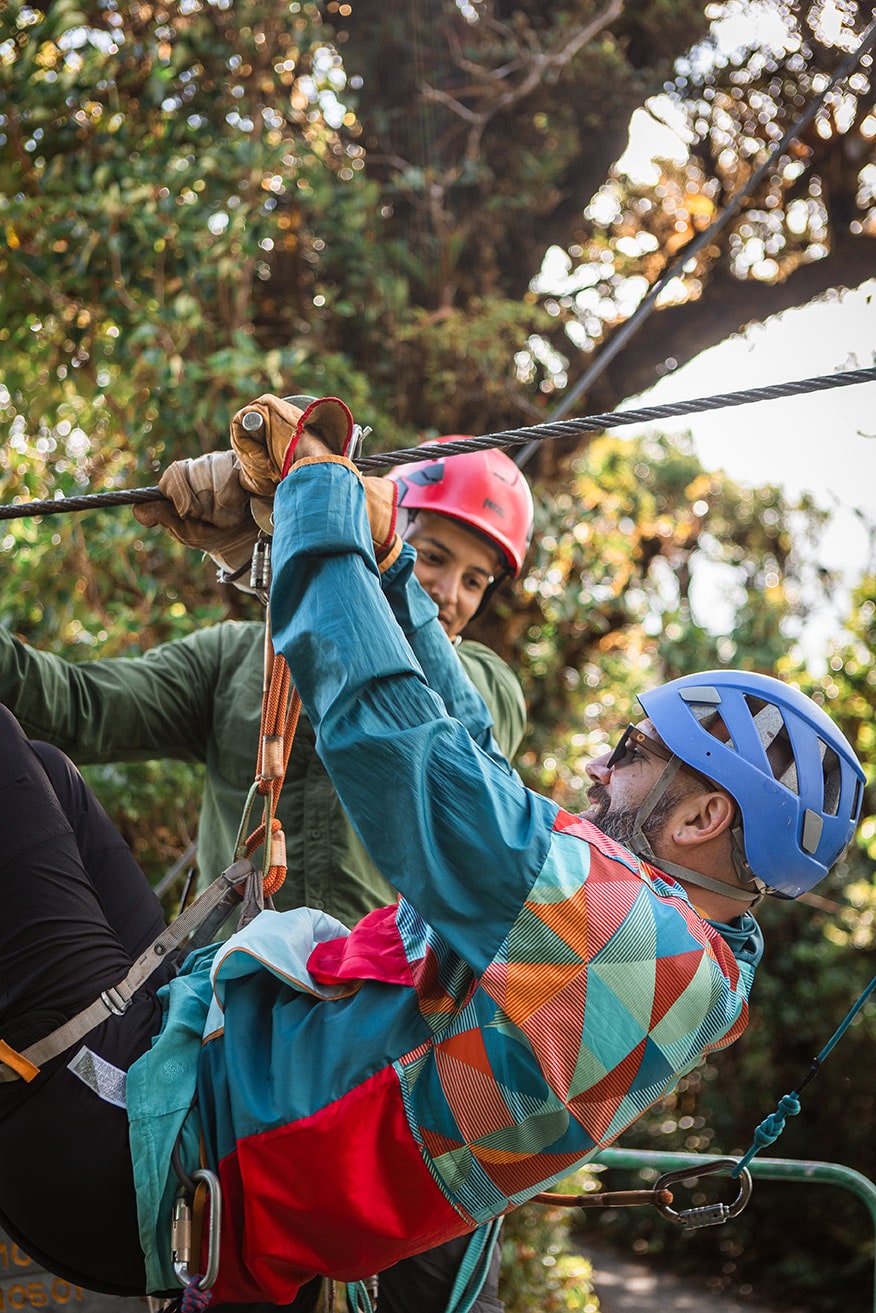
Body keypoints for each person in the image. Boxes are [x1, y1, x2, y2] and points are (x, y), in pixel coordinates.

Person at [0, 395, 864, 1313]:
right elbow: (470, 753)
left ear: (701, 818)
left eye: (632, 752)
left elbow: (395, 735)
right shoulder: (672, 956)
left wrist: (316, 496)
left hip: (135, 1143)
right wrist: (380, 558)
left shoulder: (611, 926)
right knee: (44, 772)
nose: (599, 767)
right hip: (190, 1077)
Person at [0, 410, 535, 1313]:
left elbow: (391, 695)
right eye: (432, 555)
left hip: (361, 1071)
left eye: (476, 578)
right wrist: (286, 543)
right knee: (43, 768)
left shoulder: (479, 687)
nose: (449, 591)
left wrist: (289, 542)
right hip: (224, 1031)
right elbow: (73, 704)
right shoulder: (234, 664)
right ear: (387, 524)